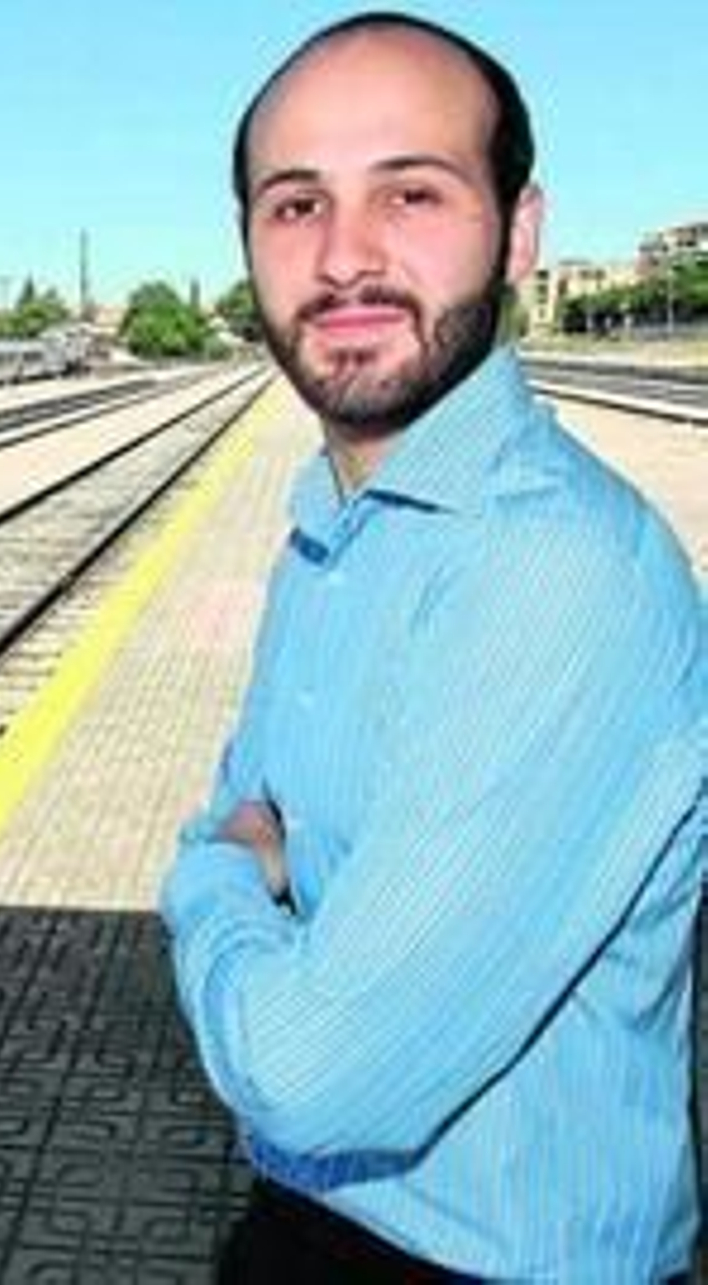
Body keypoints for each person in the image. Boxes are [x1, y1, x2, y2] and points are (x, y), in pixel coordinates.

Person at [158, 11, 707, 1280]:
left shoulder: (557, 574)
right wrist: (261, 873)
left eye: (411, 191)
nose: (345, 258)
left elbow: (306, 1075)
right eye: (295, 206)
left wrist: (206, 882)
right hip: (303, 1227)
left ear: (518, 230)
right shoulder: (328, 525)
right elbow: (265, 816)